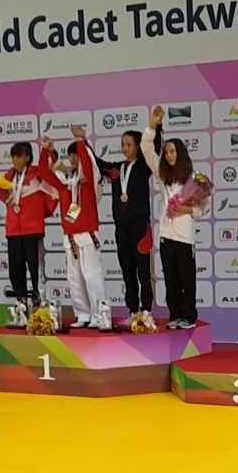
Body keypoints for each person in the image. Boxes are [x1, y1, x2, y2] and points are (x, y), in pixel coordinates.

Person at [143, 105, 209, 329]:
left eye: (173, 151)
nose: (170, 155)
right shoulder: (162, 176)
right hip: (166, 235)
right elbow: (147, 149)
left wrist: (189, 210)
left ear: (180, 153)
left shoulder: (193, 178)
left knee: (187, 279)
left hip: (184, 236)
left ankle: (188, 316)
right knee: (170, 278)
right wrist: (152, 126)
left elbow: (205, 206)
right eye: (167, 152)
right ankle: (175, 315)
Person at [0, 143, 57, 316]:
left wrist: (47, 150)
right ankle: (21, 307)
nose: (15, 160)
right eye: (13, 156)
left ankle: (40, 305)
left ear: (27, 157)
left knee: (36, 270)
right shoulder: (8, 178)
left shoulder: (38, 175)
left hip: (33, 231)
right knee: (16, 271)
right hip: (13, 232)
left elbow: (54, 184)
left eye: (19, 156)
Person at [41, 126, 107, 329]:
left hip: (87, 233)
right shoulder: (64, 182)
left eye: (76, 155)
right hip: (69, 235)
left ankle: (99, 315)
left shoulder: (89, 179)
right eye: (71, 156)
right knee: (74, 278)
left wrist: (80, 140)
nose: (73, 159)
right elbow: (44, 172)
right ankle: (83, 314)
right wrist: (46, 151)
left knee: (91, 275)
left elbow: (87, 163)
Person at [91, 128, 154, 327]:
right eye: (123, 145)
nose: (125, 148)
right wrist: (82, 141)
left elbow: (155, 147)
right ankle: (133, 311)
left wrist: (155, 127)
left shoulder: (145, 166)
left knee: (143, 272)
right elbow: (97, 163)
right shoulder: (117, 170)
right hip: (121, 228)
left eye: (129, 144)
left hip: (140, 227)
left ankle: (146, 311)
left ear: (138, 146)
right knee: (127, 271)